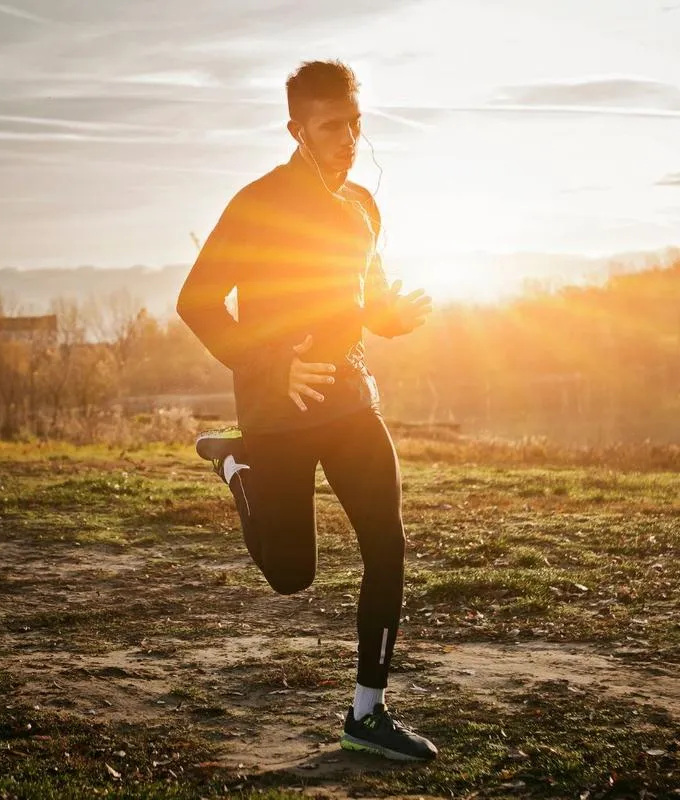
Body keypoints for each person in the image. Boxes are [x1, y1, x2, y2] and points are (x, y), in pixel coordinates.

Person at [176, 60, 436, 762]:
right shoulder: (257, 203)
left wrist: (393, 318)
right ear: (296, 128)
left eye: (355, 122)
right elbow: (196, 302)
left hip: (351, 400)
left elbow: (364, 300)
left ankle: (367, 712)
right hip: (278, 410)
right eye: (332, 126)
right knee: (293, 575)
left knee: (388, 543)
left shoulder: (363, 205)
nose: (349, 137)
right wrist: (269, 365)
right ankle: (236, 463)